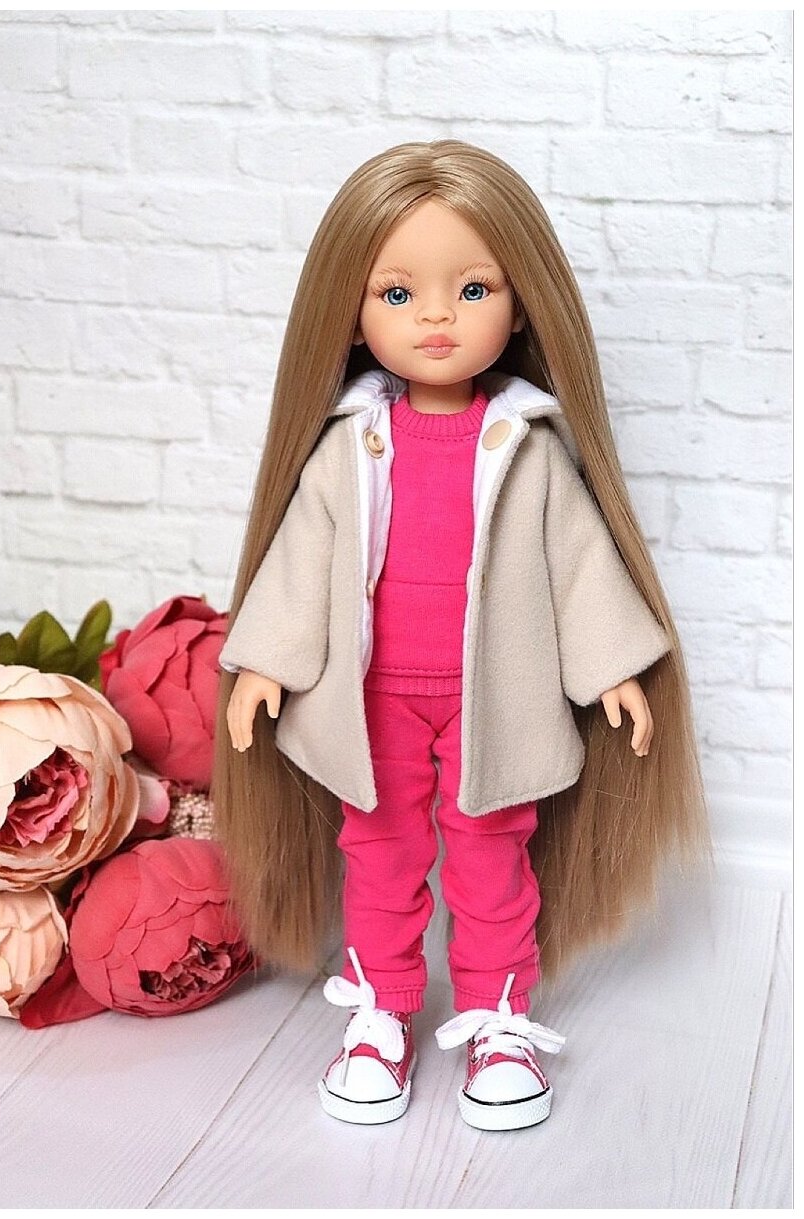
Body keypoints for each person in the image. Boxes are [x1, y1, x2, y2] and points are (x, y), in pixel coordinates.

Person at [212, 140, 709, 1131]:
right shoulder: (348, 444)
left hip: (495, 700)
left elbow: (578, 561)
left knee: (491, 857)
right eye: (397, 294)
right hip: (371, 702)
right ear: (351, 313)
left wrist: (613, 668)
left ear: (520, 307)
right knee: (380, 854)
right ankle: (379, 1014)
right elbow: (301, 558)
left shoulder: (528, 445)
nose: (435, 317)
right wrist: (264, 661)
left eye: (472, 288)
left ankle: (497, 1017)